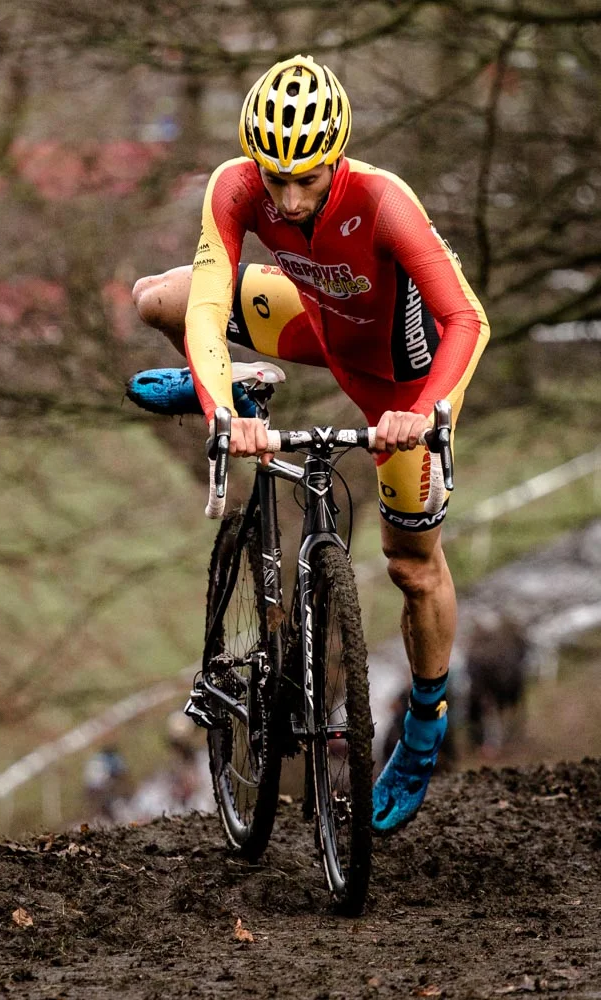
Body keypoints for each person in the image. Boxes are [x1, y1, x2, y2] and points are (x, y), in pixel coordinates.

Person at [126, 55, 490, 834]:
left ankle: (423, 734)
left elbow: (469, 320)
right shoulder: (235, 186)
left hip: (399, 388)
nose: (288, 200)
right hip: (310, 320)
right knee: (155, 299)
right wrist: (227, 414)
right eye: (275, 178)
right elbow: (209, 298)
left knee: (412, 567)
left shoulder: (384, 201)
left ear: (338, 157)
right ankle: (217, 391)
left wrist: (426, 415)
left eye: (308, 180)